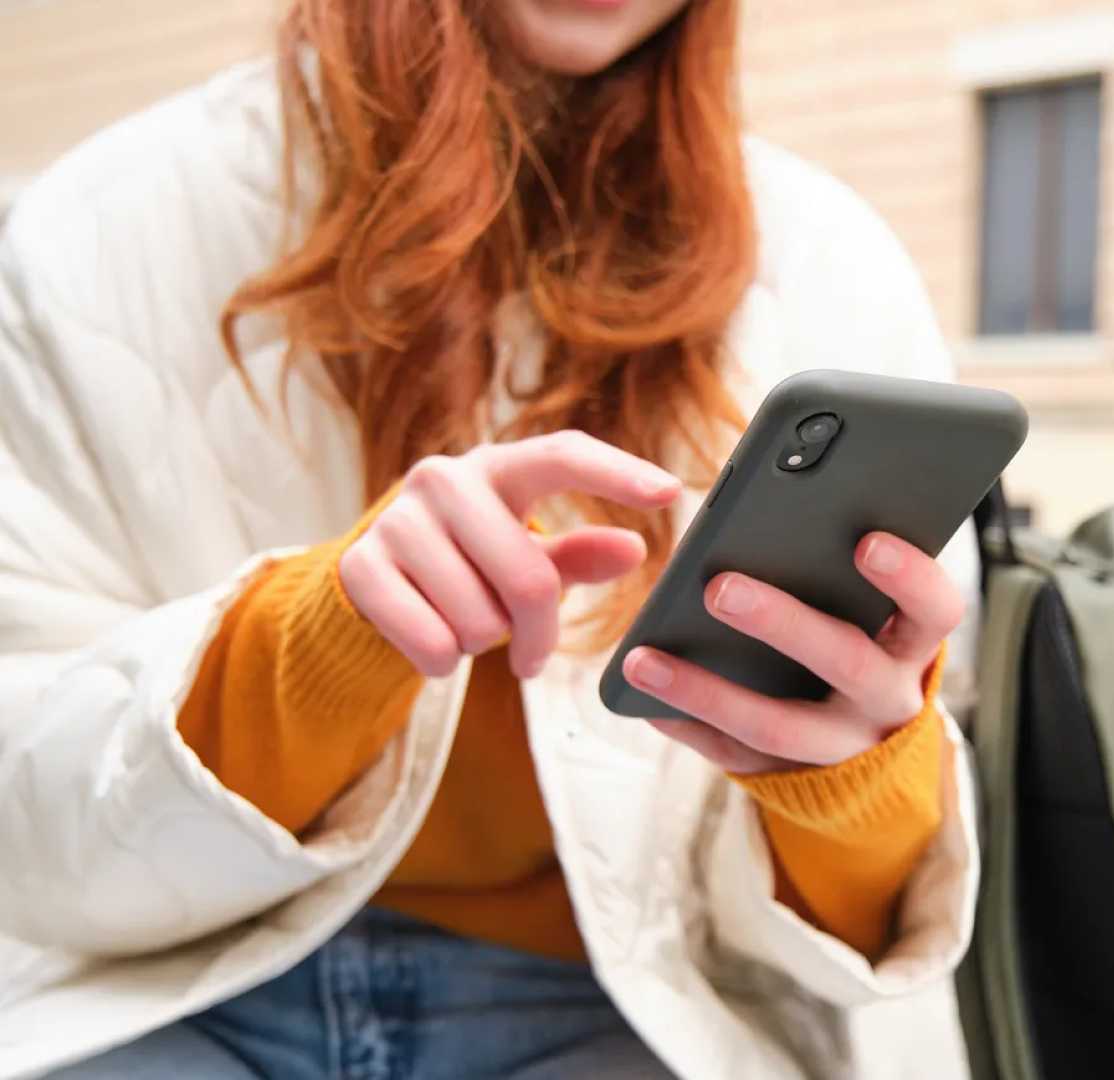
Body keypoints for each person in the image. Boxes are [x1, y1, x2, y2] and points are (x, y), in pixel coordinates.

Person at [0, 0, 983, 1076]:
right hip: (175, 983)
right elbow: (26, 827)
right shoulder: (100, 229)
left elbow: (824, 951)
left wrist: (855, 783)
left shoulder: (827, 261)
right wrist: (310, 651)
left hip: (621, 1005)